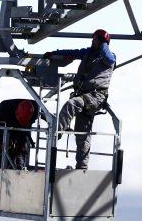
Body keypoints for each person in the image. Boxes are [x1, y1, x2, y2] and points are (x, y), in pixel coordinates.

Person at [44, 29, 115, 170]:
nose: (93, 41)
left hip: (95, 97)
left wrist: (104, 44)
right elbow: (73, 52)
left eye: (96, 40)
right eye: (93, 39)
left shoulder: (109, 57)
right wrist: (54, 53)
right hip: (83, 96)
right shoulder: (87, 53)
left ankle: (55, 133)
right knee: (82, 133)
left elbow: (110, 59)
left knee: (72, 104)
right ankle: (82, 168)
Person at [0, 98, 39, 169]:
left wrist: (55, 131)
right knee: (1, 158)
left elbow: (51, 119)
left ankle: (19, 162)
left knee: (19, 159)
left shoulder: (37, 108)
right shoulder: (4, 107)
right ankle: (0, 160)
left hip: (21, 135)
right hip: (4, 134)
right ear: (16, 112)